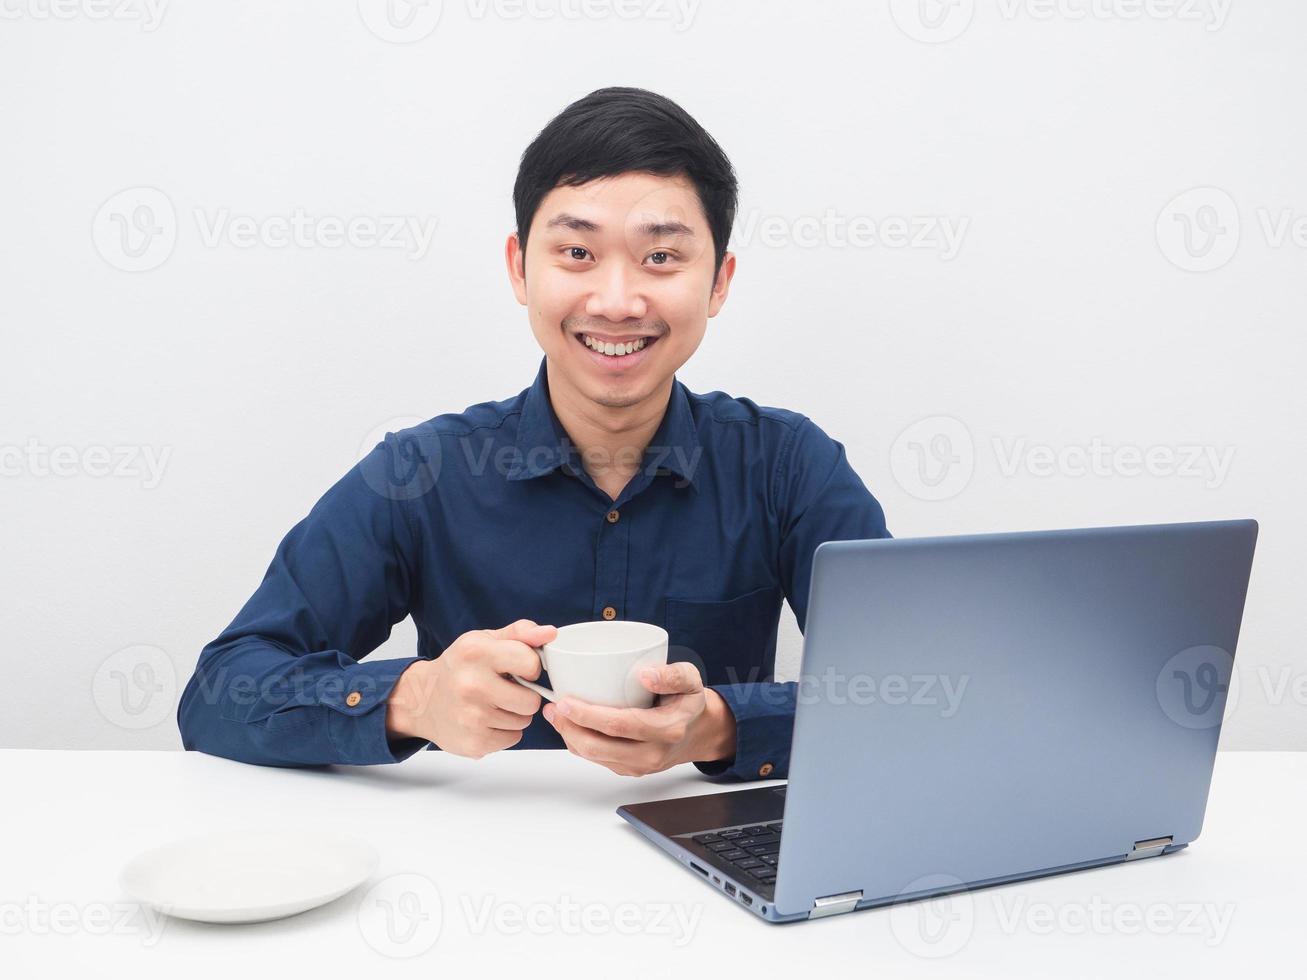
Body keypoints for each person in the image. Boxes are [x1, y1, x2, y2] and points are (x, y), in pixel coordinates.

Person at [176, 86, 891, 780]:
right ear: (520, 267)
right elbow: (219, 692)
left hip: (713, 876)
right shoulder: (421, 472)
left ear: (719, 282)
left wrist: (717, 725)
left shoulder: (787, 467)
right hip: (470, 873)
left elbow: (914, 693)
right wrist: (414, 701)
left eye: (661, 257)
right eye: (576, 254)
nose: (616, 302)